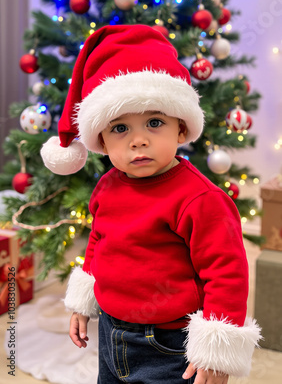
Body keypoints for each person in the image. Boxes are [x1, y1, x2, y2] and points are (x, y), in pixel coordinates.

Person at [41, 25, 261, 384]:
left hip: (169, 344)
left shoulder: (200, 199)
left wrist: (217, 356)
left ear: (180, 128)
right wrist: (83, 303)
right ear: (100, 139)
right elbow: (99, 241)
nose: (138, 140)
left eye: (154, 122)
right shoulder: (108, 185)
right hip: (112, 332)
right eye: (120, 128)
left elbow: (226, 274)